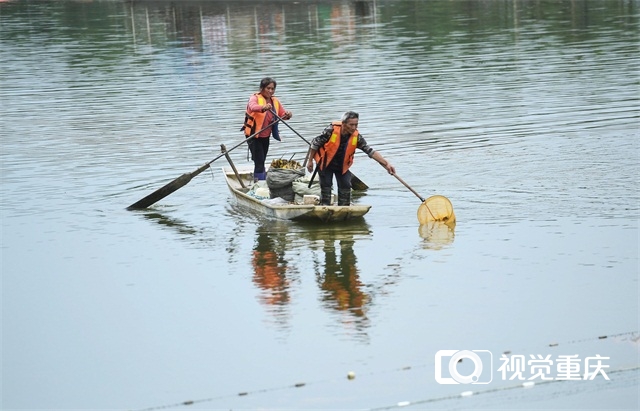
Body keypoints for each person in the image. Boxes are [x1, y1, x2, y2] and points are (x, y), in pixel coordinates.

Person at [306, 111, 396, 206]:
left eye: (356, 125)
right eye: (351, 125)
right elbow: (315, 143)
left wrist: (387, 165)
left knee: (345, 185)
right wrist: (310, 161)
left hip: (342, 166)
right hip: (325, 164)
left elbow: (370, 151)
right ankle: (325, 207)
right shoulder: (331, 130)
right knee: (326, 187)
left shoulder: (356, 137)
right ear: (344, 124)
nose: (354, 128)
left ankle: (344, 209)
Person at [241, 77, 293, 181]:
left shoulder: (275, 101)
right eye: (268, 88)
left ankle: (259, 177)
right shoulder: (254, 98)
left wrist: (288, 115)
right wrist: (263, 107)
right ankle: (260, 183)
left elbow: (282, 115)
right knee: (259, 161)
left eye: (272, 89)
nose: (270, 91)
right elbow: (252, 107)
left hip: (265, 135)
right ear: (262, 88)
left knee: (261, 159)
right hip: (254, 135)